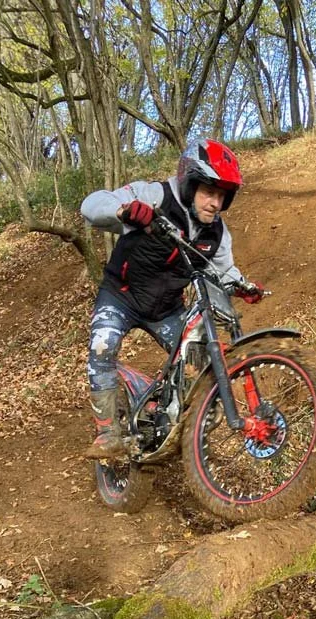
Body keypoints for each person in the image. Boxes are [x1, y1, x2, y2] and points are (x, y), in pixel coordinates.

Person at [80, 138, 264, 460]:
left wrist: (244, 286)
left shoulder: (217, 233)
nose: (215, 203)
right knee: (102, 347)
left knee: (202, 363)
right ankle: (107, 433)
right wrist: (124, 210)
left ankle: (167, 418)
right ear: (190, 184)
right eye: (209, 191)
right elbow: (92, 205)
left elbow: (224, 272)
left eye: (222, 196)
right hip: (120, 295)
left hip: (166, 309)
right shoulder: (154, 196)